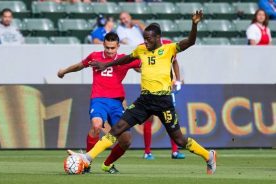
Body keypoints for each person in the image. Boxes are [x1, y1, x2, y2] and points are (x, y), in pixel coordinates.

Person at [72, 10, 217, 175]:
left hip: (163, 101)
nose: (145, 42)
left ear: (157, 38)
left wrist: (194, 24)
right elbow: (126, 59)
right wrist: (106, 65)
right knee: (118, 128)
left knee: (179, 139)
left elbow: (190, 41)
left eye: (148, 39)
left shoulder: (170, 49)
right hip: (144, 100)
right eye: (144, 39)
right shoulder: (141, 50)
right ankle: (87, 158)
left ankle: (209, 155)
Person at [58, 32, 141, 174]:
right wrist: (64, 71)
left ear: (118, 46)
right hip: (98, 100)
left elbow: (142, 67)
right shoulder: (94, 56)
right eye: (107, 47)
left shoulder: (124, 59)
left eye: (112, 48)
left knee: (126, 140)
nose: (109, 51)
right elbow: (80, 65)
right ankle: (86, 163)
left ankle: (107, 164)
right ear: (103, 44)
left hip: (116, 103)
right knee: (96, 125)